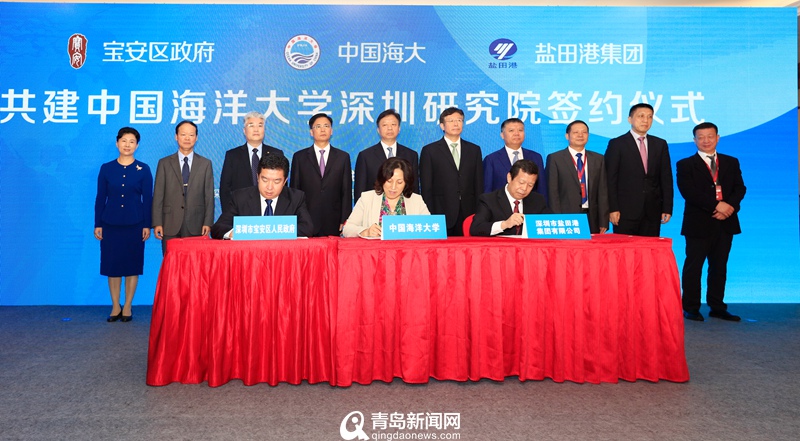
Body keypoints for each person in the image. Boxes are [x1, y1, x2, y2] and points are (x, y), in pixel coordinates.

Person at [677, 122, 746, 322]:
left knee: (719, 266)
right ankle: (691, 307)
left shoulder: (731, 161)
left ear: (718, 138)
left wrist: (729, 208)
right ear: (694, 140)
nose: (706, 140)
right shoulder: (685, 164)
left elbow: (740, 188)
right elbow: (688, 192)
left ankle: (717, 307)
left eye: (710, 136)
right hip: (698, 223)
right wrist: (717, 206)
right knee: (693, 267)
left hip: (725, 222)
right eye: (701, 137)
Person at [93, 127, 152, 322]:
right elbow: (100, 197)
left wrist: (147, 225)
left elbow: (148, 199)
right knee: (113, 266)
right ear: (117, 143)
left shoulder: (144, 169)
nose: (127, 145)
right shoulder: (106, 168)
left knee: (132, 265)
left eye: (132, 141)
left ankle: (127, 306)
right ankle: (115, 305)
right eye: (124, 141)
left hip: (135, 224)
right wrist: (98, 223)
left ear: (137, 145)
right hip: (110, 223)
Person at [605, 103, 673, 236]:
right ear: (630, 119)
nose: (645, 120)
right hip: (624, 212)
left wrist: (667, 207)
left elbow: (666, 178)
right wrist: (612, 208)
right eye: (641, 116)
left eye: (649, 117)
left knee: (649, 248)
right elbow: (610, 179)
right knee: (625, 248)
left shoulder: (660, 144)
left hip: (652, 211)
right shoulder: (617, 144)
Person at [212, 154, 314, 239]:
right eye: (264, 180)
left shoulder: (296, 198)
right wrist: (232, 233)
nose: (269, 187)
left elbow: (307, 228)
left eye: (276, 181)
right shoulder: (240, 197)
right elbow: (218, 228)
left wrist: (266, 230)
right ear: (257, 177)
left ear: (285, 181)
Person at [152, 120, 215, 254]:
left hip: (196, 223)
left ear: (196, 138)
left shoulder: (205, 164)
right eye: (183, 134)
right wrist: (157, 222)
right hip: (169, 223)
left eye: (191, 135)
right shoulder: (164, 163)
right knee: (170, 262)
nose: (187, 138)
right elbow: (158, 195)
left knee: (194, 263)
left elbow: (209, 196)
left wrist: (208, 222)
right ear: (176, 137)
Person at [419, 107, 483, 236]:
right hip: (441, 211)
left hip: (468, 211)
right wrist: (430, 214)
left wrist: (479, 211)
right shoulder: (430, 151)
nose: (456, 124)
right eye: (451, 121)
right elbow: (426, 187)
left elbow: (478, 184)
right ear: (442, 126)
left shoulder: (474, 150)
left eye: (459, 120)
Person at [290, 113, 352, 236]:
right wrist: (296, 218)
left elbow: (346, 191)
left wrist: (345, 218)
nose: (322, 130)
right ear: (311, 132)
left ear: (331, 131)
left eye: (326, 126)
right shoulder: (299, 157)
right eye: (318, 126)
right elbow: (295, 190)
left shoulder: (342, 157)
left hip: (334, 219)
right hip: (307, 218)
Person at [545, 120, 609, 234]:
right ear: (567, 136)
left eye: (584, 132)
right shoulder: (555, 159)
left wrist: (603, 220)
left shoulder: (598, 159)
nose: (580, 135)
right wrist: (557, 219)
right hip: (566, 217)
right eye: (576, 132)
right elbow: (552, 192)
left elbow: (602, 192)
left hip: (592, 217)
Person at [343, 157, 429, 238]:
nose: (393, 187)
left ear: (406, 183)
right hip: (376, 249)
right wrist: (366, 232)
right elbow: (347, 229)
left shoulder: (416, 200)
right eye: (389, 181)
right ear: (382, 180)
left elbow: (429, 228)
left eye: (399, 182)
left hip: (407, 248)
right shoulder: (367, 198)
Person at [219, 111, 284, 211]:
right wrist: (230, 214)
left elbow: (282, 186)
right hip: (241, 211)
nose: (256, 129)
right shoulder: (232, 155)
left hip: (269, 211)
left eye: (260, 125)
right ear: (244, 130)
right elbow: (225, 189)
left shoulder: (276, 153)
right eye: (251, 125)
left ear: (264, 129)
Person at [353, 109, 419, 204]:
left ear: (399, 128)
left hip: (403, 208)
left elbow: (414, 188)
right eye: (385, 125)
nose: (389, 128)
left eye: (393, 124)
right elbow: (360, 190)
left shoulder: (411, 155)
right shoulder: (365, 156)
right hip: (374, 207)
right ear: (378, 130)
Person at [470, 159, 549, 236]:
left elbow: (550, 224)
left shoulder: (538, 200)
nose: (524, 189)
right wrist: (504, 224)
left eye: (530, 185)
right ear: (509, 177)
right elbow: (476, 228)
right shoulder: (488, 200)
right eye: (521, 182)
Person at [482, 117, 547, 198]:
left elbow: (542, 188)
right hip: (501, 204)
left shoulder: (536, 157)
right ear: (502, 135)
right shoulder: (491, 159)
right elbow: (487, 189)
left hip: (529, 204)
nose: (516, 133)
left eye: (520, 130)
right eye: (511, 130)